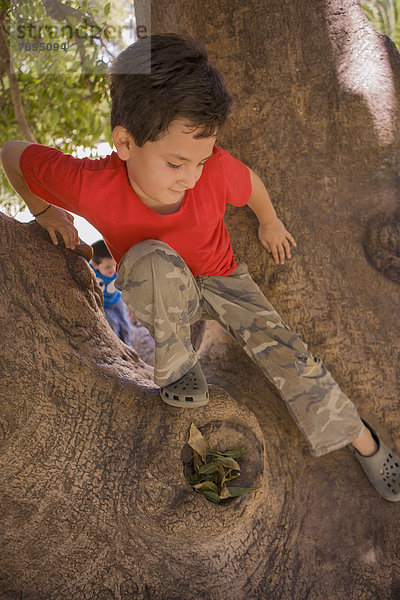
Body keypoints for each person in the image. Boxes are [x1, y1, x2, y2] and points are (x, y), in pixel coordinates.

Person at [1, 33, 399, 502]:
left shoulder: (211, 171)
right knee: (149, 261)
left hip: (223, 280)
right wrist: (45, 211)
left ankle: (363, 440)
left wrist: (268, 221)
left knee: (292, 355)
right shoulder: (92, 185)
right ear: (125, 143)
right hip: (159, 287)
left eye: (201, 160)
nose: (191, 178)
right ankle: (176, 367)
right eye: (175, 163)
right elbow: (12, 154)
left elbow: (248, 184)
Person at [90, 239, 134, 346]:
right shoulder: (91, 272)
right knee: (112, 324)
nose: (112, 269)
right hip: (102, 305)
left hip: (116, 301)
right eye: (107, 267)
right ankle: (116, 346)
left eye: (113, 265)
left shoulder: (118, 268)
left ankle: (128, 346)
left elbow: (129, 286)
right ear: (95, 266)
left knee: (125, 324)